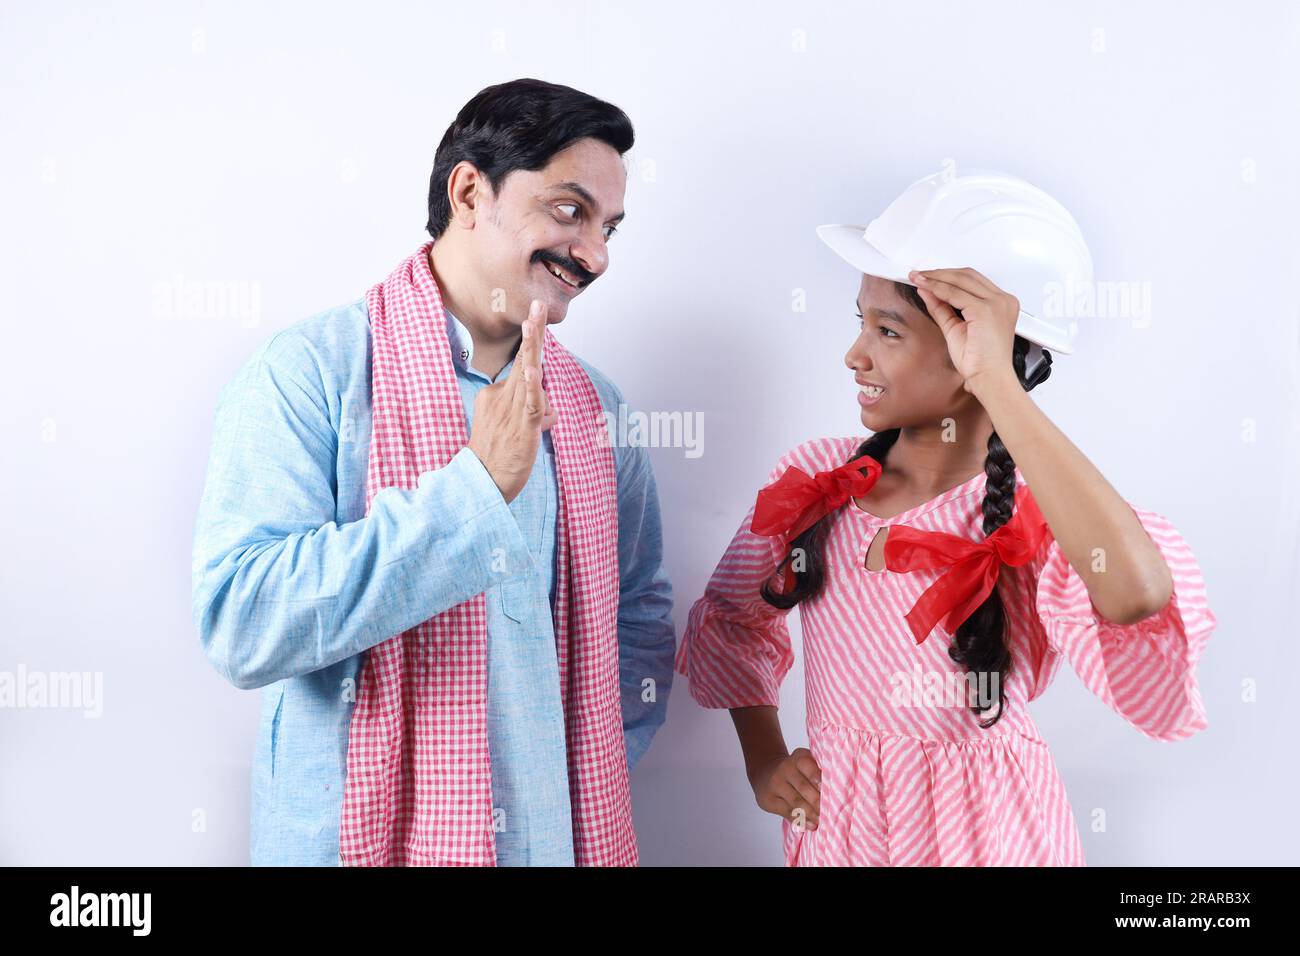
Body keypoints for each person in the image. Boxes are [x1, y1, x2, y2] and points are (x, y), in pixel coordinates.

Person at [191, 78, 675, 867]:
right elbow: (241, 620)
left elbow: (642, 616)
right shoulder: (312, 373)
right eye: (569, 211)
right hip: (349, 843)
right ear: (469, 191)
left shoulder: (595, 408)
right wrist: (473, 492)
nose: (596, 255)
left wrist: (577, 766)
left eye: (609, 228)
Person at [675, 170, 1217, 866]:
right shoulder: (821, 481)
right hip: (843, 831)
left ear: (975, 350)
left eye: (888, 330)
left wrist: (997, 380)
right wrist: (763, 761)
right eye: (860, 322)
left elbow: (1139, 593)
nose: (855, 353)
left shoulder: (1036, 514)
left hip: (992, 837)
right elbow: (733, 621)